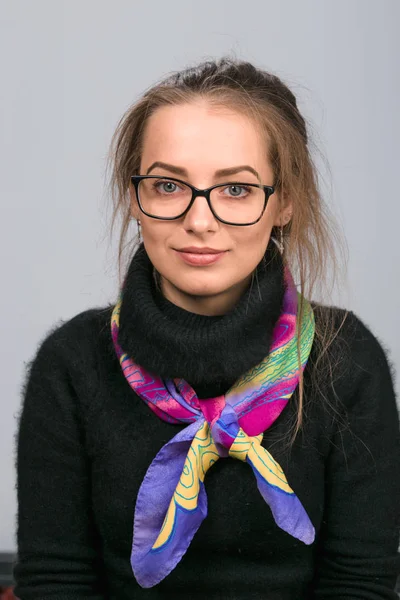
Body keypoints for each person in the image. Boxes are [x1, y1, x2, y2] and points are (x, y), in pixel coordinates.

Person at [13, 57, 400, 599]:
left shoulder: (347, 359)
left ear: (283, 201)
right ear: (135, 199)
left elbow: (360, 585)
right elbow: (58, 582)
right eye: (168, 185)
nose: (199, 220)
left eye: (236, 190)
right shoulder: (73, 362)